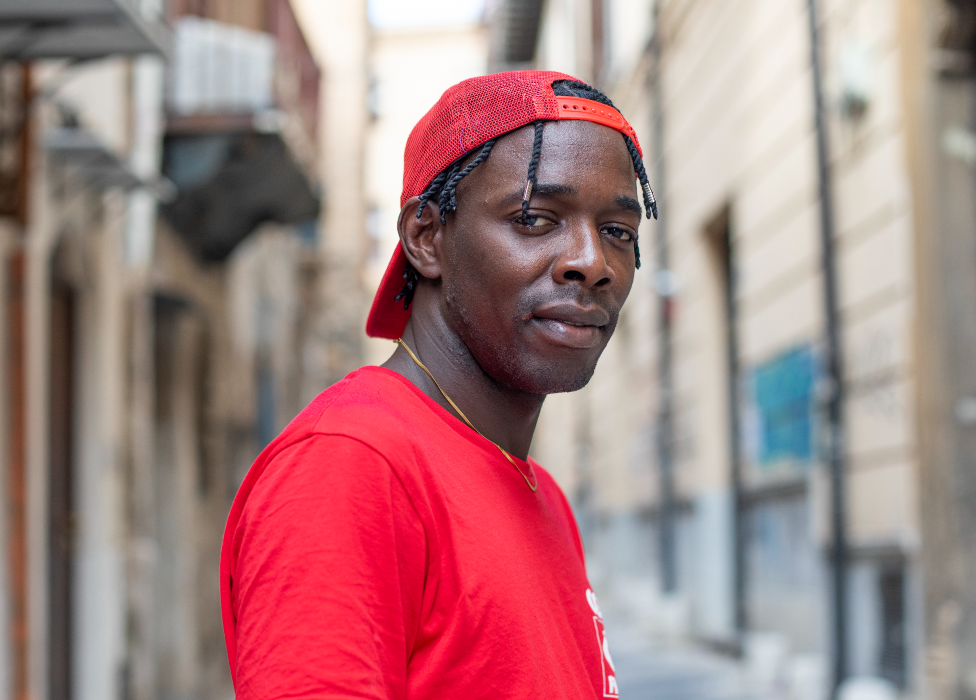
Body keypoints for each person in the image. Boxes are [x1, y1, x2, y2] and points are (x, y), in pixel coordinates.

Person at [220, 70, 656, 700]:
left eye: (618, 231)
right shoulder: (351, 465)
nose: (591, 262)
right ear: (427, 238)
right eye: (536, 218)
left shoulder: (543, 493)